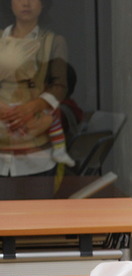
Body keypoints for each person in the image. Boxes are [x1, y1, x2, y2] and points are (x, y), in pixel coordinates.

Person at [0, 0, 73, 179]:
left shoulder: (54, 41)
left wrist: (33, 106)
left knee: (36, 195)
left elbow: (60, 86)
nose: (26, 3)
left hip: (36, 151)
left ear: (43, 4)